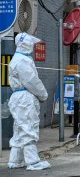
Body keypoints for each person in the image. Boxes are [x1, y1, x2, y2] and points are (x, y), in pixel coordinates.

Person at [7, 33, 51, 170]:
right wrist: (43, 94)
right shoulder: (23, 61)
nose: (32, 45)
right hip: (25, 98)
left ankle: (15, 160)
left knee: (20, 128)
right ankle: (33, 162)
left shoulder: (18, 58)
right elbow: (31, 81)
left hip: (17, 97)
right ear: (26, 43)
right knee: (28, 128)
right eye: (30, 43)